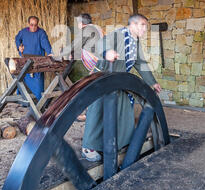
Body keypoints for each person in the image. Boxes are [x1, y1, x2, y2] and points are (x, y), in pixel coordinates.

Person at [81, 14, 162, 162]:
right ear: (133, 25)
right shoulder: (119, 34)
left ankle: (122, 143)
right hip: (103, 77)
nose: (145, 29)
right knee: (97, 110)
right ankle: (89, 147)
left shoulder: (135, 41)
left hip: (120, 79)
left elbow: (140, 63)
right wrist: (107, 52)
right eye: (142, 25)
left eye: (146, 26)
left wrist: (152, 82)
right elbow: (101, 44)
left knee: (124, 109)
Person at [59, 13, 103, 121]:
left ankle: (88, 113)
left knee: (83, 83)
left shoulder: (87, 30)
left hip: (96, 64)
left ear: (81, 23)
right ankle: (89, 113)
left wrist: (58, 54)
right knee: (90, 87)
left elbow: (75, 44)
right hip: (101, 62)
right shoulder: (96, 28)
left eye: (77, 22)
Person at [15, 16, 53, 101]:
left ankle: (37, 102)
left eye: (35, 25)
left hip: (38, 61)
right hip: (25, 61)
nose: (33, 27)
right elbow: (17, 39)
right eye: (31, 25)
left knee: (38, 82)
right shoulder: (23, 32)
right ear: (28, 24)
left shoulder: (41, 33)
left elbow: (45, 43)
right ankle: (24, 101)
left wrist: (50, 53)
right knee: (24, 80)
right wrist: (19, 46)